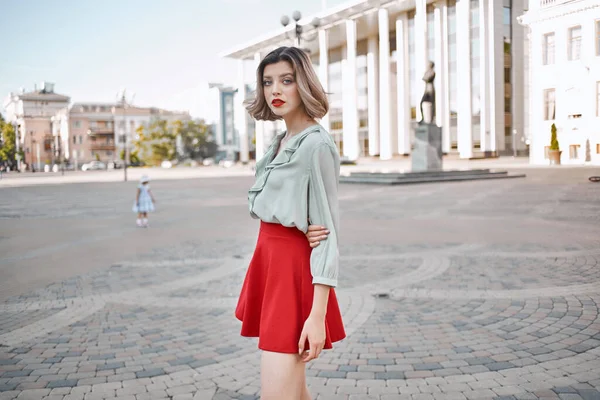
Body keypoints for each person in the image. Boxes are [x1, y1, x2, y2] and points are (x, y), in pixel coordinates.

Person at [235, 46, 346, 400]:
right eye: (268, 82)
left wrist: (317, 316)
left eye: (287, 80)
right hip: (271, 265)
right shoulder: (281, 142)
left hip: (293, 273)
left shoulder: (316, 145)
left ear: (304, 84)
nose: (275, 90)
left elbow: (328, 235)